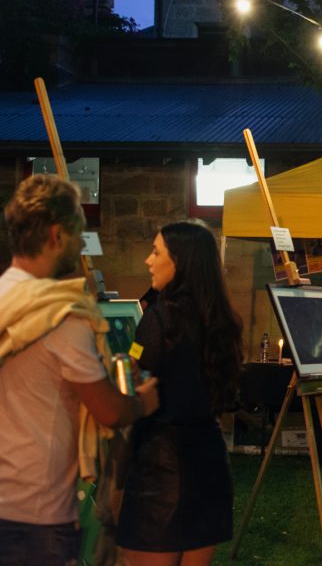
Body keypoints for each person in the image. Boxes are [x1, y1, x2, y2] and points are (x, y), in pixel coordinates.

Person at [0, 175, 159, 566]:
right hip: (36, 510)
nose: (81, 243)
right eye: (79, 233)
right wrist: (142, 402)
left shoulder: (5, 296)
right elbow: (108, 411)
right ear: (57, 234)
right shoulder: (60, 314)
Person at [116, 221, 243, 565]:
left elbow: (132, 394)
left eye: (156, 252)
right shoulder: (222, 321)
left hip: (161, 470)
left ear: (180, 262)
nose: (147, 260)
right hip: (209, 465)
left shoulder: (159, 319)